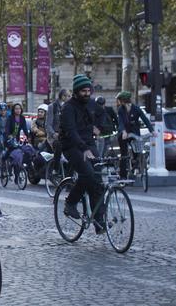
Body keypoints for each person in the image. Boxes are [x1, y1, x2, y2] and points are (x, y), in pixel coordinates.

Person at [60, 75, 105, 233]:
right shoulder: (68, 108)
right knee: (87, 174)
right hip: (72, 145)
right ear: (76, 91)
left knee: (98, 180)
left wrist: (100, 127)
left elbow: (103, 115)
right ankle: (70, 203)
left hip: (89, 143)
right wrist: (84, 148)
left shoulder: (91, 104)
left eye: (88, 91)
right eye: (83, 91)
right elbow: (71, 132)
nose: (87, 94)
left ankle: (99, 221)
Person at [116, 91, 155, 179]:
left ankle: (136, 165)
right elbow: (121, 122)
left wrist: (152, 131)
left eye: (119, 100)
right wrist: (123, 131)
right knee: (124, 154)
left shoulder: (136, 109)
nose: (118, 102)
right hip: (124, 134)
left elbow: (145, 120)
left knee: (137, 150)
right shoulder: (120, 110)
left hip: (134, 133)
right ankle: (123, 176)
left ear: (123, 100)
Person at [46, 89, 71, 172]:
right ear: (63, 96)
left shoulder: (69, 107)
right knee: (59, 145)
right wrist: (53, 134)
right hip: (54, 137)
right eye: (68, 96)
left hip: (65, 135)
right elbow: (48, 124)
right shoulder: (52, 107)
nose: (70, 98)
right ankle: (55, 168)